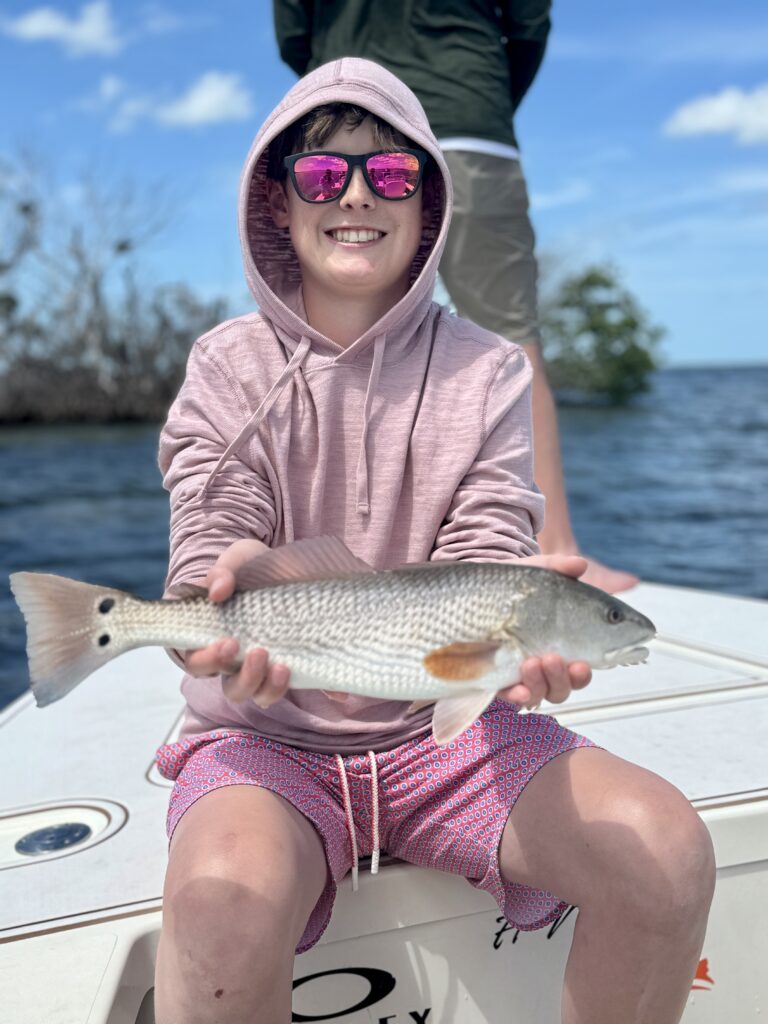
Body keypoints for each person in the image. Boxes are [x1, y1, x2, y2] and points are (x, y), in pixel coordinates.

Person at [152, 59, 714, 1024]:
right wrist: (214, 585)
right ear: (277, 202)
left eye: (391, 173)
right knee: (219, 904)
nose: (356, 195)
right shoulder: (225, 361)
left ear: (429, 204)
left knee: (664, 852)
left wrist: (510, 649)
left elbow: (489, 535)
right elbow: (216, 514)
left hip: (450, 738)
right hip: (262, 736)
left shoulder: (490, 369)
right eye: (322, 174)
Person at [273, 0, 639, 594]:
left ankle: (332, 558)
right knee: (512, 335)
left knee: (341, 331)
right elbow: (529, 23)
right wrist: (479, 96)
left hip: (344, 137)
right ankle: (554, 549)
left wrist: (351, 107)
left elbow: (294, 33)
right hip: (471, 118)